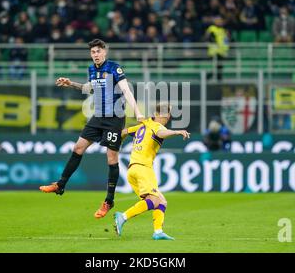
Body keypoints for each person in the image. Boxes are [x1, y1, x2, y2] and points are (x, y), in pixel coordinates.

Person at [40, 39, 144, 219]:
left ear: (105, 51)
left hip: (114, 118)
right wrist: (71, 83)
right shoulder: (91, 69)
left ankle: (109, 201)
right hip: (98, 117)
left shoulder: (114, 68)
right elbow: (91, 89)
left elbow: (127, 91)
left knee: (111, 158)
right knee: (78, 148)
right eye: (92, 52)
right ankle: (61, 184)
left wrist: (139, 113)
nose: (95, 55)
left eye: (97, 51)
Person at [113, 103, 190, 240]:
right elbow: (161, 133)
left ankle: (158, 231)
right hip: (143, 168)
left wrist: (118, 144)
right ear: (158, 114)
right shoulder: (157, 126)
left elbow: (124, 132)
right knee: (154, 200)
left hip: (133, 169)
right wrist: (176, 132)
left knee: (161, 201)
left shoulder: (143, 125)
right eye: (167, 113)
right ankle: (123, 216)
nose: (168, 116)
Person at [204, 15, 229, 81]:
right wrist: (213, 40)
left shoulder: (223, 30)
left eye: (221, 21)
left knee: (220, 66)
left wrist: (226, 49)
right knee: (216, 66)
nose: (220, 22)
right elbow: (208, 37)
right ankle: (209, 77)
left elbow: (225, 40)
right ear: (214, 21)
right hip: (214, 51)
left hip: (221, 51)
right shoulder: (211, 28)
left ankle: (217, 78)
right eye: (218, 20)